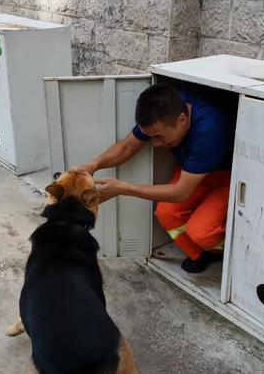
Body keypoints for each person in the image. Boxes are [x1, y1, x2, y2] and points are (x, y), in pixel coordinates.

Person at [71, 85, 234, 273]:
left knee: (200, 231)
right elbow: (127, 147)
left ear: (183, 120)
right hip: (193, 170)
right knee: (166, 214)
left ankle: (229, 253)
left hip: (228, 175)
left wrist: (123, 189)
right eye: (150, 137)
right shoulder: (164, 109)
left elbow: (181, 192)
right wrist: (92, 166)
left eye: (158, 137)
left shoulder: (209, 130)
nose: (155, 144)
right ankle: (202, 254)